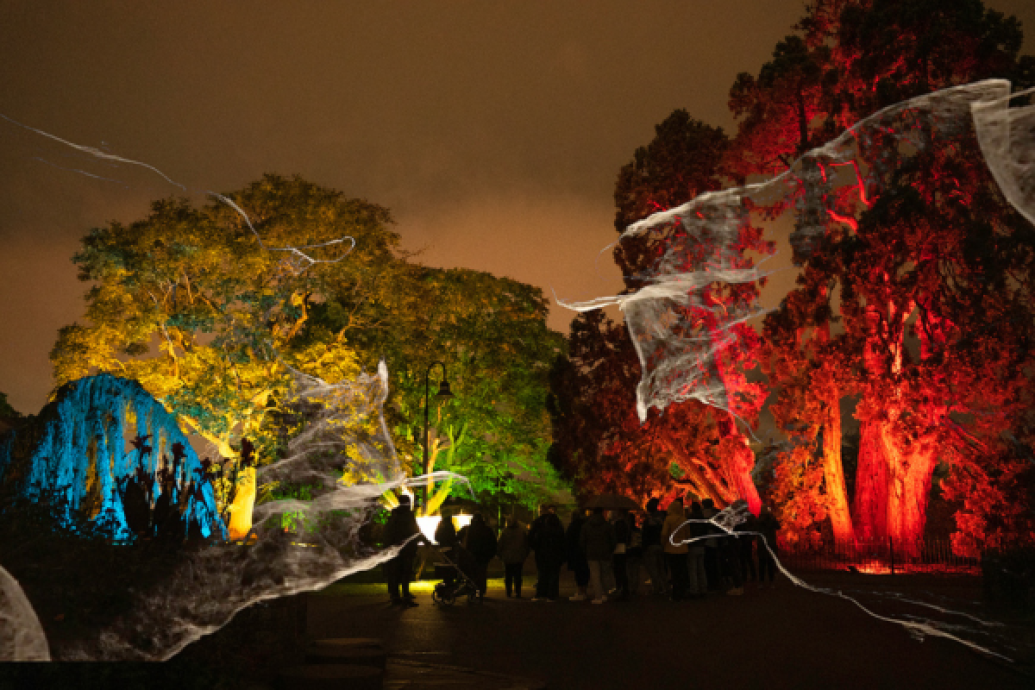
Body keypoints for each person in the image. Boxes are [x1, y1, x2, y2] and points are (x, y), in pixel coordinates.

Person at [383, 494, 426, 606]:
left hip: (395, 549)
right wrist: (426, 541)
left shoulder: (394, 515)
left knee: (396, 573)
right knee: (406, 573)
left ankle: (395, 596)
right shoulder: (408, 515)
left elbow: (389, 532)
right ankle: (405, 596)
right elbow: (415, 531)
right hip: (407, 550)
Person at [580, 507, 616, 604]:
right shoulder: (607, 526)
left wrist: (585, 550)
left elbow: (582, 541)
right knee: (605, 574)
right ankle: (605, 593)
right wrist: (610, 550)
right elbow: (613, 540)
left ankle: (598, 596)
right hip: (605, 552)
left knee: (595, 575)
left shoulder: (587, 526)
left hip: (591, 553)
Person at [531, 513, 566, 601]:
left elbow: (535, 542)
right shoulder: (559, 531)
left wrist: (537, 550)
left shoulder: (542, 531)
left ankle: (540, 594)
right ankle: (551, 595)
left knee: (542, 575)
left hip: (543, 555)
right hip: (555, 556)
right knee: (553, 575)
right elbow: (563, 544)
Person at [463, 512, 498, 598]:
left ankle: (472, 591)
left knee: (472, 574)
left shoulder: (470, 529)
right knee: (482, 573)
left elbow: (468, 543)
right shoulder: (487, 529)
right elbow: (493, 543)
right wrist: (491, 554)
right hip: (484, 556)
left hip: (473, 555)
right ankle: (481, 590)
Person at [661, 498, 689, 601]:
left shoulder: (668, 519)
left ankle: (675, 593)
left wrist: (663, 543)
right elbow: (688, 534)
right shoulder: (684, 519)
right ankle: (682, 591)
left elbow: (664, 534)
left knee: (673, 572)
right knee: (682, 571)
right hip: (683, 548)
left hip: (671, 548)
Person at [497, 518, 530, 598]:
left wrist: (500, 555)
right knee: (518, 576)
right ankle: (518, 592)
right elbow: (526, 545)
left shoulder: (504, 532)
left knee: (508, 576)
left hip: (507, 557)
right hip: (519, 557)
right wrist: (524, 555)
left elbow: (499, 545)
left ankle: (509, 591)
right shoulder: (521, 532)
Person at [641, 498, 666, 595]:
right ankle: (665, 587)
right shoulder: (662, 519)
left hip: (651, 546)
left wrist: (644, 547)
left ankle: (657, 588)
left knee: (653, 569)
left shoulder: (648, 521)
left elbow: (645, 535)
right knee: (661, 568)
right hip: (660, 545)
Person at [566, 508, 591, 601]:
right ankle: (584, 591)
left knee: (579, 573)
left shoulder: (573, 526)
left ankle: (580, 591)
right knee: (585, 572)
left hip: (576, 552)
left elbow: (568, 539)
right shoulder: (587, 524)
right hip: (586, 552)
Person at [686, 501, 709, 598]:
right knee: (701, 568)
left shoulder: (690, 520)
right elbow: (706, 532)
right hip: (701, 545)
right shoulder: (703, 519)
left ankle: (694, 590)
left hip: (693, 546)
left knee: (693, 569)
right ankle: (703, 589)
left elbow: (688, 532)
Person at [756, 505, 781, 588]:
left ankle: (762, 582)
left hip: (763, 543)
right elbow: (778, 527)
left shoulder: (759, 521)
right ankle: (771, 581)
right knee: (769, 563)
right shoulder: (770, 520)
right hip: (769, 543)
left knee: (762, 563)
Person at [701, 498, 722, 592]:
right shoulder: (717, 513)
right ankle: (716, 581)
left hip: (706, 542)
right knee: (715, 563)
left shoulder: (701, 514)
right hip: (715, 542)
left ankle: (710, 582)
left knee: (707, 563)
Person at [611, 508, 632, 601]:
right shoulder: (626, 524)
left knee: (618, 570)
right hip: (624, 548)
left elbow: (615, 537)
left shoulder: (617, 524)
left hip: (618, 548)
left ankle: (620, 588)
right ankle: (624, 588)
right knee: (622, 569)